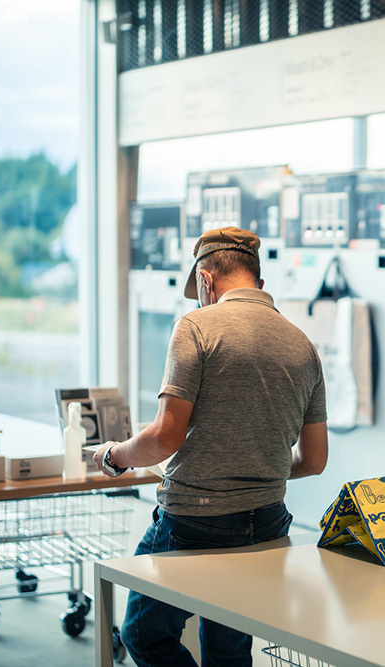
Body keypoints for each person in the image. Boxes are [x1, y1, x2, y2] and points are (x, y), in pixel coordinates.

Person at [94, 226, 328, 666]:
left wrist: (114, 455)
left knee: (143, 634)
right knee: (230, 650)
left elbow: (166, 437)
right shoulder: (303, 345)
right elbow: (314, 460)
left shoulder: (196, 326)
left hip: (193, 522)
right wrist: (261, 465)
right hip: (267, 524)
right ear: (258, 283)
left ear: (206, 280)